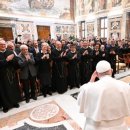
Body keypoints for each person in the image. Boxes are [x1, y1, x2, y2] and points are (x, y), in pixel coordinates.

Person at [78, 60, 130, 130]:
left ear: (96, 73)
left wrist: (91, 80)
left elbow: (80, 102)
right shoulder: (125, 86)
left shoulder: (88, 88)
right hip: (119, 127)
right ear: (111, 71)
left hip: (95, 127)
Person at [0, 39, 21, 113]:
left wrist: (13, 60)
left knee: (13, 89)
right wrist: (7, 60)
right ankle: (6, 106)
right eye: (1, 44)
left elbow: (15, 63)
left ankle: (15, 103)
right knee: (4, 91)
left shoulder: (10, 52)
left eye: (3, 44)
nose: (3, 46)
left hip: (11, 75)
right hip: (2, 77)